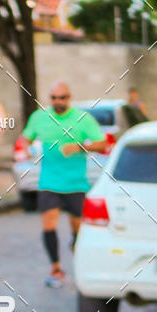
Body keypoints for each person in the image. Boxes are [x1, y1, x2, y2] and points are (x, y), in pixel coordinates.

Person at [21, 82, 106, 288]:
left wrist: (79, 147)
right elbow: (25, 138)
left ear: (69, 98)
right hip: (49, 182)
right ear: (50, 99)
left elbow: (102, 144)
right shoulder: (39, 118)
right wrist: (27, 149)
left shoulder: (83, 119)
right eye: (54, 98)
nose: (58, 102)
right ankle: (56, 268)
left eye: (63, 97)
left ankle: (78, 257)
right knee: (49, 224)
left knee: (78, 229)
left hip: (76, 184)